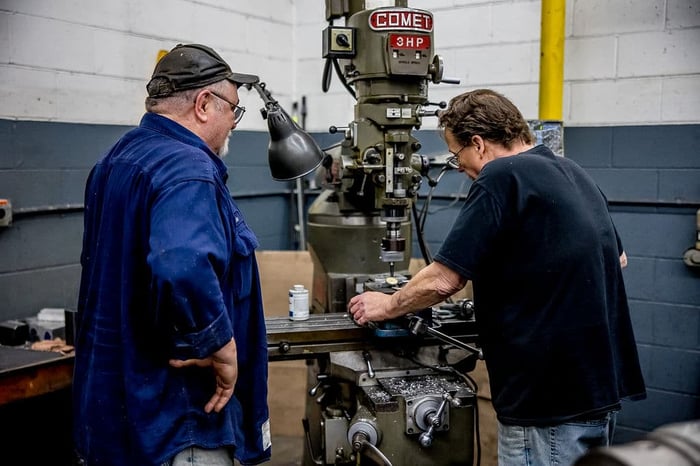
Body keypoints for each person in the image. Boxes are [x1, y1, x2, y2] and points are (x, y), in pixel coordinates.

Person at [348, 89, 646, 466]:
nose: (458, 167)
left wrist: (388, 304)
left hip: (546, 402)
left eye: (457, 155)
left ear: (478, 143)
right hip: (598, 391)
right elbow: (616, 258)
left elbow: (444, 280)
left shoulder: (501, 176)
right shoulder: (573, 172)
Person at [74, 44, 271, 466]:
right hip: (179, 422)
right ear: (204, 104)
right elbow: (181, 262)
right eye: (233, 112)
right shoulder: (187, 168)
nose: (233, 125)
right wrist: (221, 347)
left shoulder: (114, 160)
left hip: (116, 417)